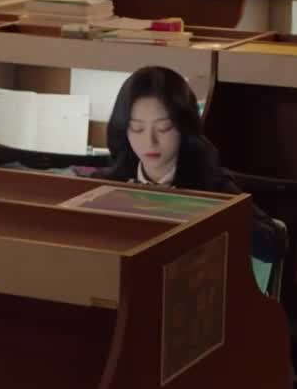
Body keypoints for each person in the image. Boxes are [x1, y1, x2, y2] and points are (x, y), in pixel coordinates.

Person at [100, 66, 277, 262]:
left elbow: (271, 244)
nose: (150, 141)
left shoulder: (211, 184)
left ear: (184, 126)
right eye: (137, 128)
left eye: (164, 127)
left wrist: (195, 209)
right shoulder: (105, 186)